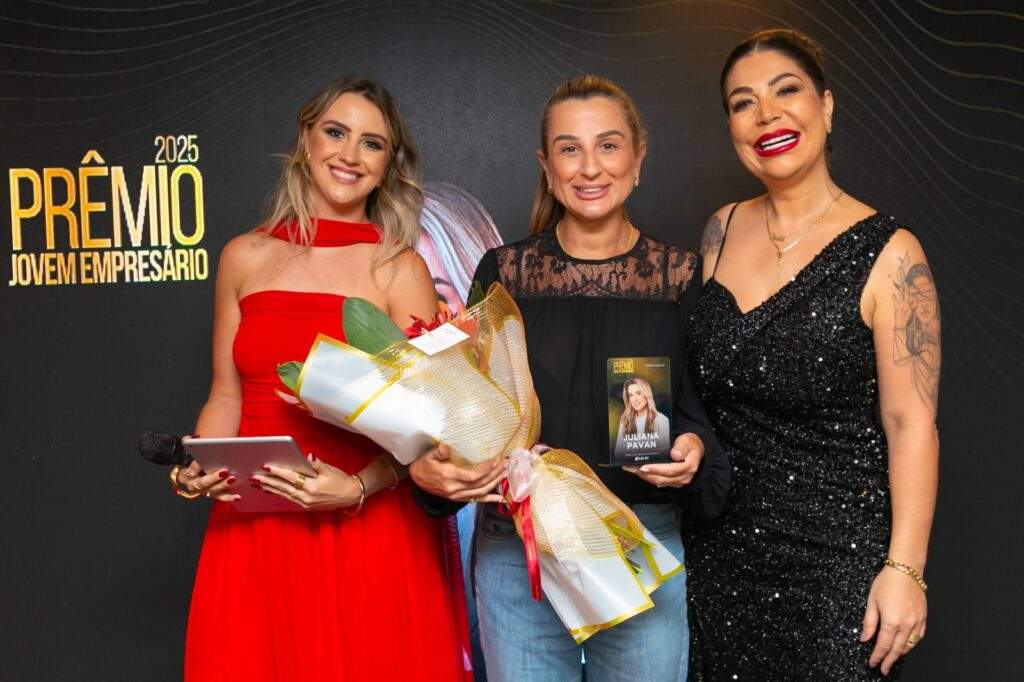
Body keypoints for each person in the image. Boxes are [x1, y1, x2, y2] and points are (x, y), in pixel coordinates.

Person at [410, 74, 730, 682]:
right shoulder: (504, 273)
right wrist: (434, 465)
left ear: (638, 159)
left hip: (639, 541)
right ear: (546, 166)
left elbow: (704, 418)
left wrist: (692, 449)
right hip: (520, 550)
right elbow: (468, 409)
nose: (589, 167)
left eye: (608, 145)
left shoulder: (681, 277)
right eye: (569, 149)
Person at [167, 76, 469, 681]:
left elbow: (434, 429)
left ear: (387, 167)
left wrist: (357, 488)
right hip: (255, 529)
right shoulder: (242, 258)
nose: (349, 155)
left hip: (368, 527)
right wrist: (198, 468)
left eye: (371, 143)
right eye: (336, 132)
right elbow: (225, 395)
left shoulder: (399, 268)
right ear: (306, 139)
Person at [686, 28, 939, 680]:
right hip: (718, 561)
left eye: (786, 91)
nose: (766, 114)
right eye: (743, 103)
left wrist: (906, 569)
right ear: (731, 127)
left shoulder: (892, 254)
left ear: (825, 106)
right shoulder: (720, 230)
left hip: (838, 568)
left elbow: (911, 423)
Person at [614, 377, 671, 458]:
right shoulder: (625, 420)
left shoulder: (661, 420)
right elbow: (618, 455)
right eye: (630, 395)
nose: (634, 399)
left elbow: (663, 455)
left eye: (639, 393)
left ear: (647, 394)